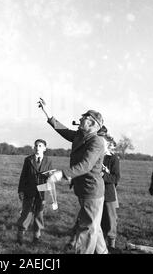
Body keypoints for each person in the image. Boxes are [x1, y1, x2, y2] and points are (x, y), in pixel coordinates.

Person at [39, 102, 108, 254]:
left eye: (84, 117)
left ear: (92, 123)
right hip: (82, 189)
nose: (80, 119)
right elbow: (62, 130)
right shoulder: (80, 136)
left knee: (88, 228)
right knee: (94, 224)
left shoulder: (97, 141)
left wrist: (61, 174)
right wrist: (48, 113)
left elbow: (86, 165)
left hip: (92, 191)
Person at [16, 139, 53, 245]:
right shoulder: (28, 160)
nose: (37, 148)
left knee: (39, 214)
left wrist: (50, 177)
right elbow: (23, 176)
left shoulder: (48, 161)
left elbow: (51, 177)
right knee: (26, 213)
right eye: (36, 145)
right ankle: (20, 235)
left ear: (44, 148)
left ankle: (37, 237)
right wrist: (21, 190)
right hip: (29, 191)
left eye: (40, 146)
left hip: (42, 192)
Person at [99, 127, 120, 251]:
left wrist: (104, 175)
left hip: (108, 193)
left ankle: (112, 244)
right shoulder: (96, 156)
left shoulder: (113, 159)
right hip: (95, 193)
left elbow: (116, 178)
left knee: (111, 220)